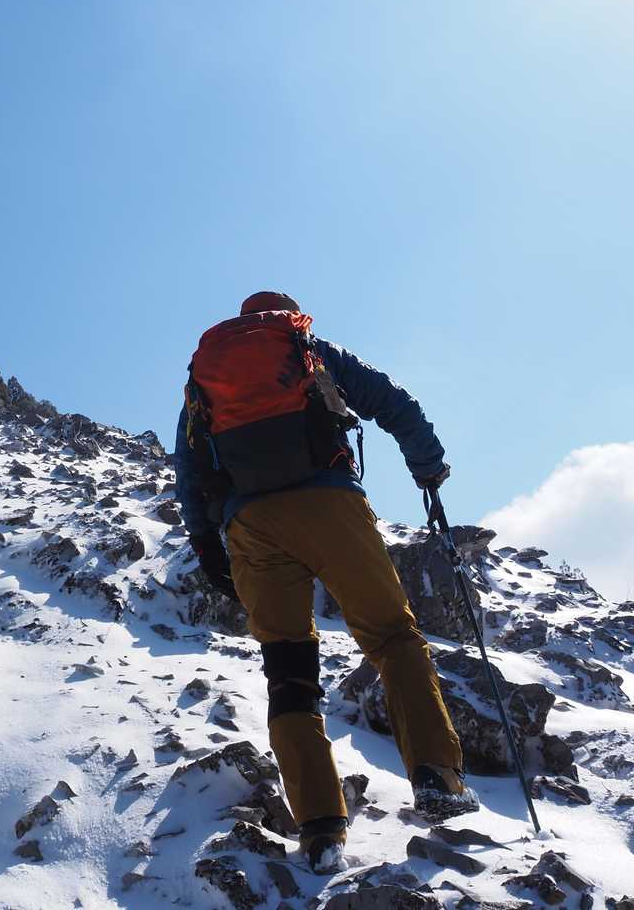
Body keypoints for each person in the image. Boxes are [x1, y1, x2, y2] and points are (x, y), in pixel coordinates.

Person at [173, 291, 477, 874]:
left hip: (251, 525)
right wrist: (428, 465)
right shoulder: (308, 348)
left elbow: (189, 466)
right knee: (392, 636)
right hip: (328, 502)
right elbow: (392, 402)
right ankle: (437, 775)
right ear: (287, 316)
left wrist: (210, 547)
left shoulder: (205, 379)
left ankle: (319, 831)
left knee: (288, 671)